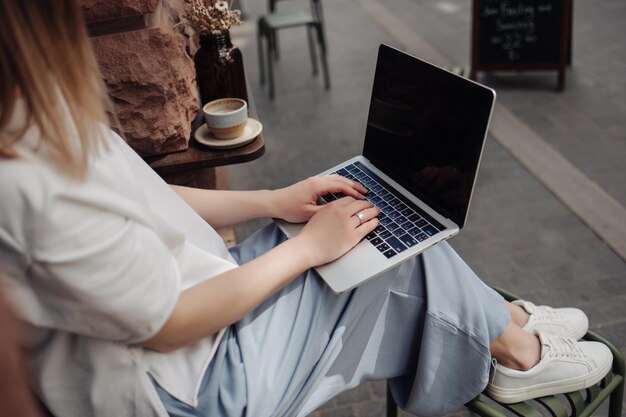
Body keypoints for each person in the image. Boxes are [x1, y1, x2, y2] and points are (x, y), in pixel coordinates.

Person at [0, 2, 612, 417]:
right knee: (390, 256)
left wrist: (278, 200)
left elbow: (148, 199)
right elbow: (169, 324)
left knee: (372, 226)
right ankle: (517, 351)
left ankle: (502, 320)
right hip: (196, 386)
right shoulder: (26, 181)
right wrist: (306, 248)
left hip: (203, 325)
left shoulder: (31, 118)